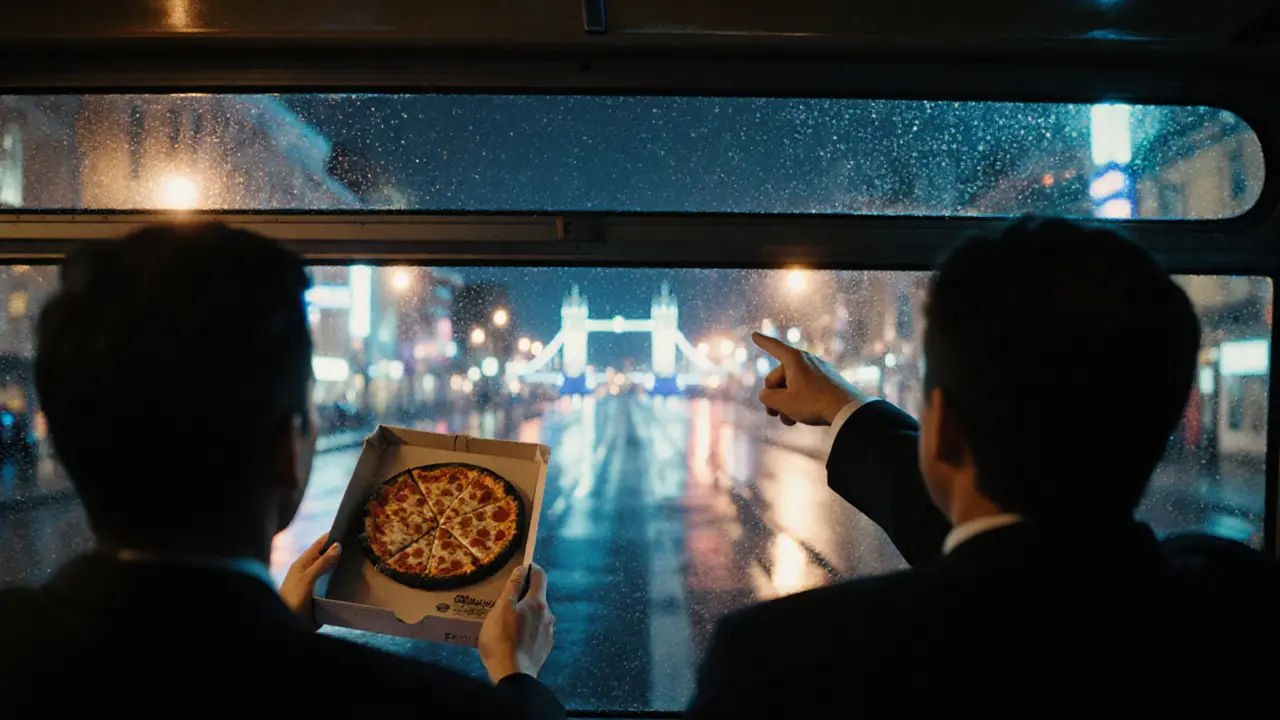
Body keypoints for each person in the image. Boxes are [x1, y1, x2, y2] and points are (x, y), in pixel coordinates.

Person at [686, 217, 1277, 717]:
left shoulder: (777, 663)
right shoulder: (1237, 612)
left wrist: (853, 410)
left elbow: (1002, 577)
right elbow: (1039, 577)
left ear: (938, 429)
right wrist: (851, 410)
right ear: (1162, 423)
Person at [0, 223, 562, 717]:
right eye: (310, 413)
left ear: (70, 447)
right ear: (287, 453)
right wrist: (517, 677)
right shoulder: (414, 703)